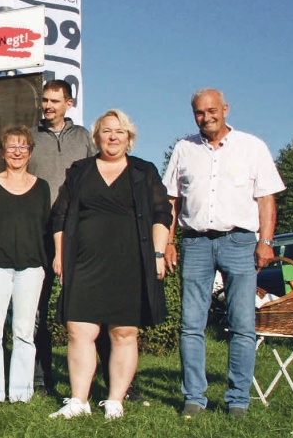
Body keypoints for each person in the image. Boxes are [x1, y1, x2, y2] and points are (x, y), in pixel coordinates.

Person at [163, 88, 284, 419]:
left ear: (226, 110)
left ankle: (238, 399)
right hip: (196, 243)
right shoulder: (184, 149)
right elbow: (172, 201)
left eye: (212, 110)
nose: (206, 117)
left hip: (241, 242)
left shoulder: (252, 147)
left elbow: (266, 198)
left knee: (243, 324)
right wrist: (168, 242)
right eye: (199, 113)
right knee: (191, 324)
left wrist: (266, 241)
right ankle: (194, 398)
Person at [48, 110, 172, 420]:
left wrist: (158, 254)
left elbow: (162, 214)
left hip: (130, 264)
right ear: (97, 136)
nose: (113, 137)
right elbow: (60, 215)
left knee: (124, 332)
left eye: (119, 131)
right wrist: (60, 254)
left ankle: (115, 400)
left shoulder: (144, 171)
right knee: (79, 330)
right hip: (85, 262)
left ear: (129, 138)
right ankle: (79, 400)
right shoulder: (80, 171)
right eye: (106, 131)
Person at [28, 79, 96, 397]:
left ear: (69, 103)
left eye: (55, 100)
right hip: (40, 232)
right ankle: (41, 379)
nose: (48, 106)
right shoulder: (30, 136)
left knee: (89, 308)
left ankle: (103, 380)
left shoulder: (84, 138)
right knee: (37, 309)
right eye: (45, 100)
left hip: (79, 233)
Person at [0, 125, 50, 403]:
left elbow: (45, 227)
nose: (17, 152)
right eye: (11, 146)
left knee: (24, 333)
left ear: (30, 152)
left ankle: (21, 394)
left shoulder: (42, 187)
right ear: (2, 152)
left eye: (23, 147)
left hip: (31, 268)